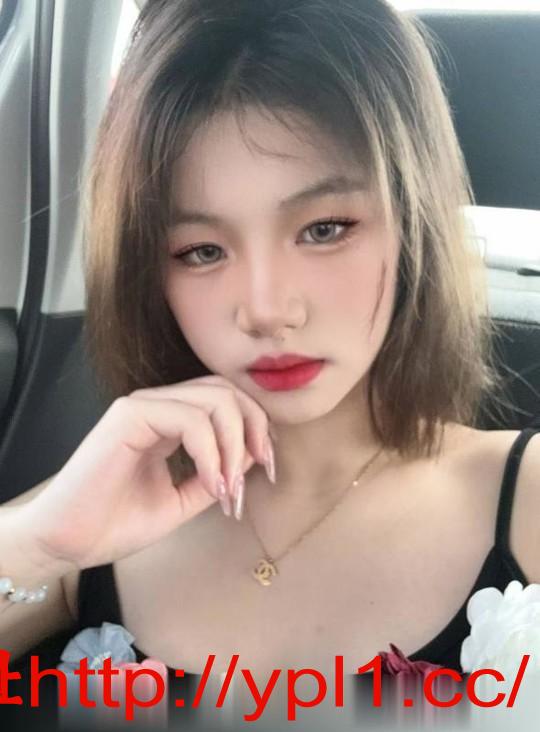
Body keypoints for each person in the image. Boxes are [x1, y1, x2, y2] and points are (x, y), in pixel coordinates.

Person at [1, 0, 539, 697]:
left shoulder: (525, 498)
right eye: (201, 250)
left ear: (410, 221)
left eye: (324, 229)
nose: (265, 310)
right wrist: (38, 546)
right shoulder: (93, 515)